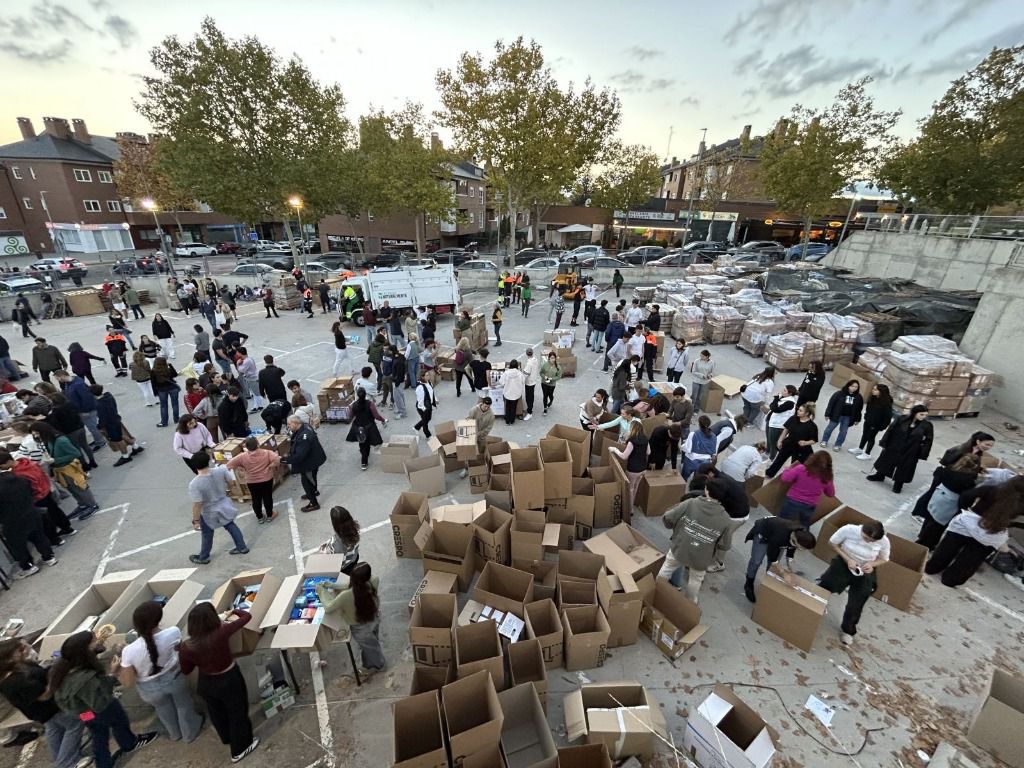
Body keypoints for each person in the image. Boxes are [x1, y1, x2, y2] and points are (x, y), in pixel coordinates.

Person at [49, 632, 159, 768]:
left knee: (98, 734)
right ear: (84, 651)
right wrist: (113, 674)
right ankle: (129, 743)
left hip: (82, 713)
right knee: (119, 721)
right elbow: (100, 700)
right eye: (94, 641)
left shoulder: (63, 667)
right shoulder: (85, 680)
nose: (98, 641)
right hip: (100, 708)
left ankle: (104, 764)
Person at [178, 604, 259, 762]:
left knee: (217, 713)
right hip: (228, 678)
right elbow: (246, 617)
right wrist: (233, 611)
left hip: (206, 683)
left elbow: (186, 670)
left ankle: (226, 737)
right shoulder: (221, 633)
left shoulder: (186, 647)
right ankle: (240, 749)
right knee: (238, 713)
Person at [116, 602, 204, 744]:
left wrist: (120, 664)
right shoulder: (173, 632)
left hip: (149, 688)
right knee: (183, 704)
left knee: (162, 708)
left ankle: (174, 733)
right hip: (173, 677)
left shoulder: (128, 651)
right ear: (158, 619)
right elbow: (178, 648)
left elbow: (128, 682)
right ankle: (189, 733)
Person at [0, 638, 88, 768]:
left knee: (54, 729)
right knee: (78, 722)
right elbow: (43, 695)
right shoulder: (17, 681)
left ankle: (59, 757)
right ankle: (66, 762)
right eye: (21, 650)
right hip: (51, 708)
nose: (27, 650)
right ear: (9, 658)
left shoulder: (17, 670)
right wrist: (56, 678)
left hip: (41, 713)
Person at [925, 477, 1024, 587]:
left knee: (947, 548)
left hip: (969, 523)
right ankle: (951, 579)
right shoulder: (1020, 505)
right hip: (992, 532)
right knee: (971, 559)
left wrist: (966, 508)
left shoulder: (992, 490)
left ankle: (932, 568)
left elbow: (966, 496)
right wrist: (1011, 523)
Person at [817, 520, 891, 645]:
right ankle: (815, 606)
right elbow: (832, 543)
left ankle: (848, 630)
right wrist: (848, 559)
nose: (868, 542)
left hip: (864, 569)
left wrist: (872, 564)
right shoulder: (849, 529)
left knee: (858, 601)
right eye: (866, 538)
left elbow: (884, 558)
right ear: (862, 530)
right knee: (826, 584)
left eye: (872, 541)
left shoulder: (884, 541)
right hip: (844, 562)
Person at [658, 479, 732, 602]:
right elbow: (725, 545)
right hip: (703, 555)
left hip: (681, 547)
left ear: (706, 490)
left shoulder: (691, 503)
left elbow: (668, 517)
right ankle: (690, 601)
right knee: (696, 579)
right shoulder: (725, 519)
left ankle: (658, 590)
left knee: (667, 568)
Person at [317, 563, 386, 676]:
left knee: (371, 648)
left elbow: (329, 607)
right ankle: (370, 662)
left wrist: (321, 591)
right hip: (374, 617)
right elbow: (356, 585)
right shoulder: (374, 580)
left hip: (361, 628)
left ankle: (379, 666)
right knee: (372, 642)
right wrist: (333, 585)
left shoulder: (346, 596)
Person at [910, 430, 995, 518]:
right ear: (978, 441)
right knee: (932, 493)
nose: (988, 447)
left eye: (991, 446)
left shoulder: (978, 453)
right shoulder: (961, 449)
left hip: (954, 477)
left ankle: (927, 513)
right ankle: (918, 512)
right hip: (944, 475)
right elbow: (946, 461)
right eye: (987, 444)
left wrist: (980, 470)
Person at [187, 451, 249, 563]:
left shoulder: (194, 484)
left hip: (209, 512)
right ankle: (242, 547)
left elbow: (197, 504)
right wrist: (227, 491)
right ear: (208, 461)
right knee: (230, 525)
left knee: (207, 533)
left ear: (194, 466)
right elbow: (231, 483)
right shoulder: (221, 470)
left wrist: (196, 520)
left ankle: (203, 557)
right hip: (224, 505)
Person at [0, 459, 57, 578]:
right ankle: (49, 557)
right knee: (39, 537)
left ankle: (28, 566)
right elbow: (30, 491)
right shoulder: (20, 479)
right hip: (31, 512)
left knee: (18, 545)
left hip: (12, 520)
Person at [31, 422, 99, 519]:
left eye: (37, 433)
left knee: (80, 487)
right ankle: (83, 504)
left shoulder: (60, 440)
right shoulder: (49, 440)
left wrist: (56, 460)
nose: (36, 436)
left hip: (69, 468)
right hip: (60, 469)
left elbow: (75, 453)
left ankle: (92, 505)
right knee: (71, 489)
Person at [916, 453, 983, 550]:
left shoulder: (950, 468)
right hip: (950, 502)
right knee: (938, 526)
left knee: (930, 518)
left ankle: (922, 538)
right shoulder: (968, 479)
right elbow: (967, 496)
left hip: (938, 494)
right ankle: (928, 544)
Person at [743, 518, 817, 603]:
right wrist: (783, 573)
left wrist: (790, 564)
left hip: (780, 535)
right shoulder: (780, 536)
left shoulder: (801, 533)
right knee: (756, 561)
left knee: (772, 566)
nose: (802, 550)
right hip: (764, 533)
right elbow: (772, 557)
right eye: (801, 548)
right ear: (795, 540)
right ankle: (749, 583)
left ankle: (768, 584)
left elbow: (791, 548)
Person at [867, 404, 934, 493]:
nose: (924, 417)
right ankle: (880, 475)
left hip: (911, 450)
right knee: (887, 460)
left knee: (905, 467)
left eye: (925, 415)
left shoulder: (927, 426)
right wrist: (884, 442)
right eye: (921, 414)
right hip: (895, 445)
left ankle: (898, 484)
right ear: (915, 413)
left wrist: (923, 453)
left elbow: (928, 441)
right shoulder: (901, 419)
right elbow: (890, 430)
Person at [226, 437, 281, 523]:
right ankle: (270, 515)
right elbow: (277, 460)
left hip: (252, 481)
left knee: (255, 499)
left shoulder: (242, 456)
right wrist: (269, 466)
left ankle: (259, 517)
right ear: (258, 444)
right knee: (267, 497)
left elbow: (229, 465)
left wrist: (241, 468)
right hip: (266, 479)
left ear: (246, 447)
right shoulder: (267, 453)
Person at [780, 450, 836, 528]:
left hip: (792, 501)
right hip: (809, 505)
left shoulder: (801, 468)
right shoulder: (827, 476)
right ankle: (802, 538)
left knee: (782, 523)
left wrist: (787, 469)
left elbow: (785, 478)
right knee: (804, 525)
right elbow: (831, 494)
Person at [283, 415, 327, 512]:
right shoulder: (305, 426)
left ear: (295, 423)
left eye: (289, 424)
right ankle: (314, 492)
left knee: (307, 482)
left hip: (309, 464)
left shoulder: (304, 437)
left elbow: (299, 456)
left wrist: (283, 460)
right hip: (315, 458)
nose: (288, 426)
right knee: (312, 478)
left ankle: (314, 503)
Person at [765, 403, 819, 478]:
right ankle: (769, 473)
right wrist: (780, 440)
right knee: (779, 460)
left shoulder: (812, 426)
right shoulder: (793, 419)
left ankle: (792, 479)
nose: (797, 411)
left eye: (800, 411)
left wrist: (806, 442)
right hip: (788, 443)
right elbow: (786, 430)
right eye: (798, 409)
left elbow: (814, 440)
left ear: (807, 413)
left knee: (795, 466)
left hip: (801, 449)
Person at [94, 385, 141, 467]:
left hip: (110, 424)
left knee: (118, 440)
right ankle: (136, 447)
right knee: (122, 435)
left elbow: (103, 418)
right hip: (116, 419)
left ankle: (125, 456)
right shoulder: (108, 396)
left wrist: (100, 426)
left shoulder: (99, 404)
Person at [609, 420, 649, 513]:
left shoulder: (632, 441)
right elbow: (648, 452)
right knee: (635, 487)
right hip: (643, 469)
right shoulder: (645, 439)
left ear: (632, 429)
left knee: (630, 489)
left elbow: (624, 456)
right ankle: (632, 505)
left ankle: (630, 510)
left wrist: (615, 449)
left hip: (633, 470)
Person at [347, 387, 387, 470]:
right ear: (365, 394)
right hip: (369, 426)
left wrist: (351, 409)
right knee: (367, 443)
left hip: (358, 427)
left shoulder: (354, 405)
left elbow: (350, 417)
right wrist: (383, 420)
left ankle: (364, 458)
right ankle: (364, 462)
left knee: (362, 443)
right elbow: (376, 416)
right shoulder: (370, 404)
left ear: (357, 395)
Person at [851, 384, 894, 461]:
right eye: (873, 389)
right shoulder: (872, 398)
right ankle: (860, 448)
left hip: (876, 424)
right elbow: (868, 409)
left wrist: (882, 426)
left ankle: (867, 454)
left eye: (875, 390)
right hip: (868, 421)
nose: (873, 391)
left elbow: (888, 417)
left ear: (881, 392)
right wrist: (866, 416)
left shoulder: (886, 403)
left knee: (871, 438)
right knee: (864, 435)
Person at [820, 380, 864, 451]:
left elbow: (859, 409)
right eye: (852, 386)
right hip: (837, 415)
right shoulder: (839, 394)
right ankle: (824, 440)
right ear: (848, 386)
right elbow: (831, 404)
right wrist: (827, 414)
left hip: (848, 417)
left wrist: (857, 419)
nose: (854, 388)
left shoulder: (859, 397)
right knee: (829, 428)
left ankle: (838, 445)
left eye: (856, 387)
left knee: (843, 432)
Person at [319, 506, 361, 573]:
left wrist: (325, 551)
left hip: (345, 567)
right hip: (354, 558)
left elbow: (340, 563)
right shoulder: (354, 527)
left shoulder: (337, 543)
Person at [766, 385, 799, 459]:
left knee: (773, 443)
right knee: (768, 439)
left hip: (777, 426)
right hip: (771, 421)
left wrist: (776, 399)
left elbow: (775, 409)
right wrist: (776, 400)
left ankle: (771, 458)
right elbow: (772, 406)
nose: (782, 391)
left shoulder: (790, 403)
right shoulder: (783, 397)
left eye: (784, 390)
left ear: (789, 393)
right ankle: (767, 452)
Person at [681, 415, 717, 480]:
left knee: (684, 477)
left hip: (691, 460)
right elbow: (714, 451)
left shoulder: (693, 434)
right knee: (698, 480)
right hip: (705, 463)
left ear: (699, 424)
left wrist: (682, 446)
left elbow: (687, 449)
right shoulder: (714, 436)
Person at [151, 357, 181, 427]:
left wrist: (155, 392)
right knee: (175, 404)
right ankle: (176, 419)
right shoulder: (168, 369)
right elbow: (175, 374)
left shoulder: (153, 371)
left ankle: (164, 422)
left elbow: (153, 383)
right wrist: (170, 365)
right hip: (173, 388)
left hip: (161, 390)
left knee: (163, 406)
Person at [501, 359, 525, 425]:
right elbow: (523, 381)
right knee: (513, 407)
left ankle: (507, 420)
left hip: (507, 393)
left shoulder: (506, 373)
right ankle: (512, 420)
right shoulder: (520, 374)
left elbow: (501, 382)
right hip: (516, 393)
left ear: (510, 365)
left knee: (507, 406)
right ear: (517, 366)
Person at [413, 369, 436, 439]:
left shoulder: (429, 382)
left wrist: (436, 399)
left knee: (428, 418)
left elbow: (431, 392)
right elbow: (420, 401)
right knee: (425, 421)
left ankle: (416, 427)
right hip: (422, 407)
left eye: (428, 374)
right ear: (422, 377)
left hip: (428, 406)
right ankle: (428, 435)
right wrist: (424, 409)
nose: (429, 376)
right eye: (427, 375)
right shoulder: (420, 387)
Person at [539, 351, 562, 416]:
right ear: (549, 358)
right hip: (544, 383)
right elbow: (541, 372)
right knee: (545, 396)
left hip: (552, 384)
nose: (552, 359)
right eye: (551, 358)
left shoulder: (558, 367)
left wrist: (552, 379)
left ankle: (551, 400)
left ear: (555, 358)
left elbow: (559, 376)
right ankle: (545, 408)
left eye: (553, 358)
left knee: (550, 395)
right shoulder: (545, 365)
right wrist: (544, 377)